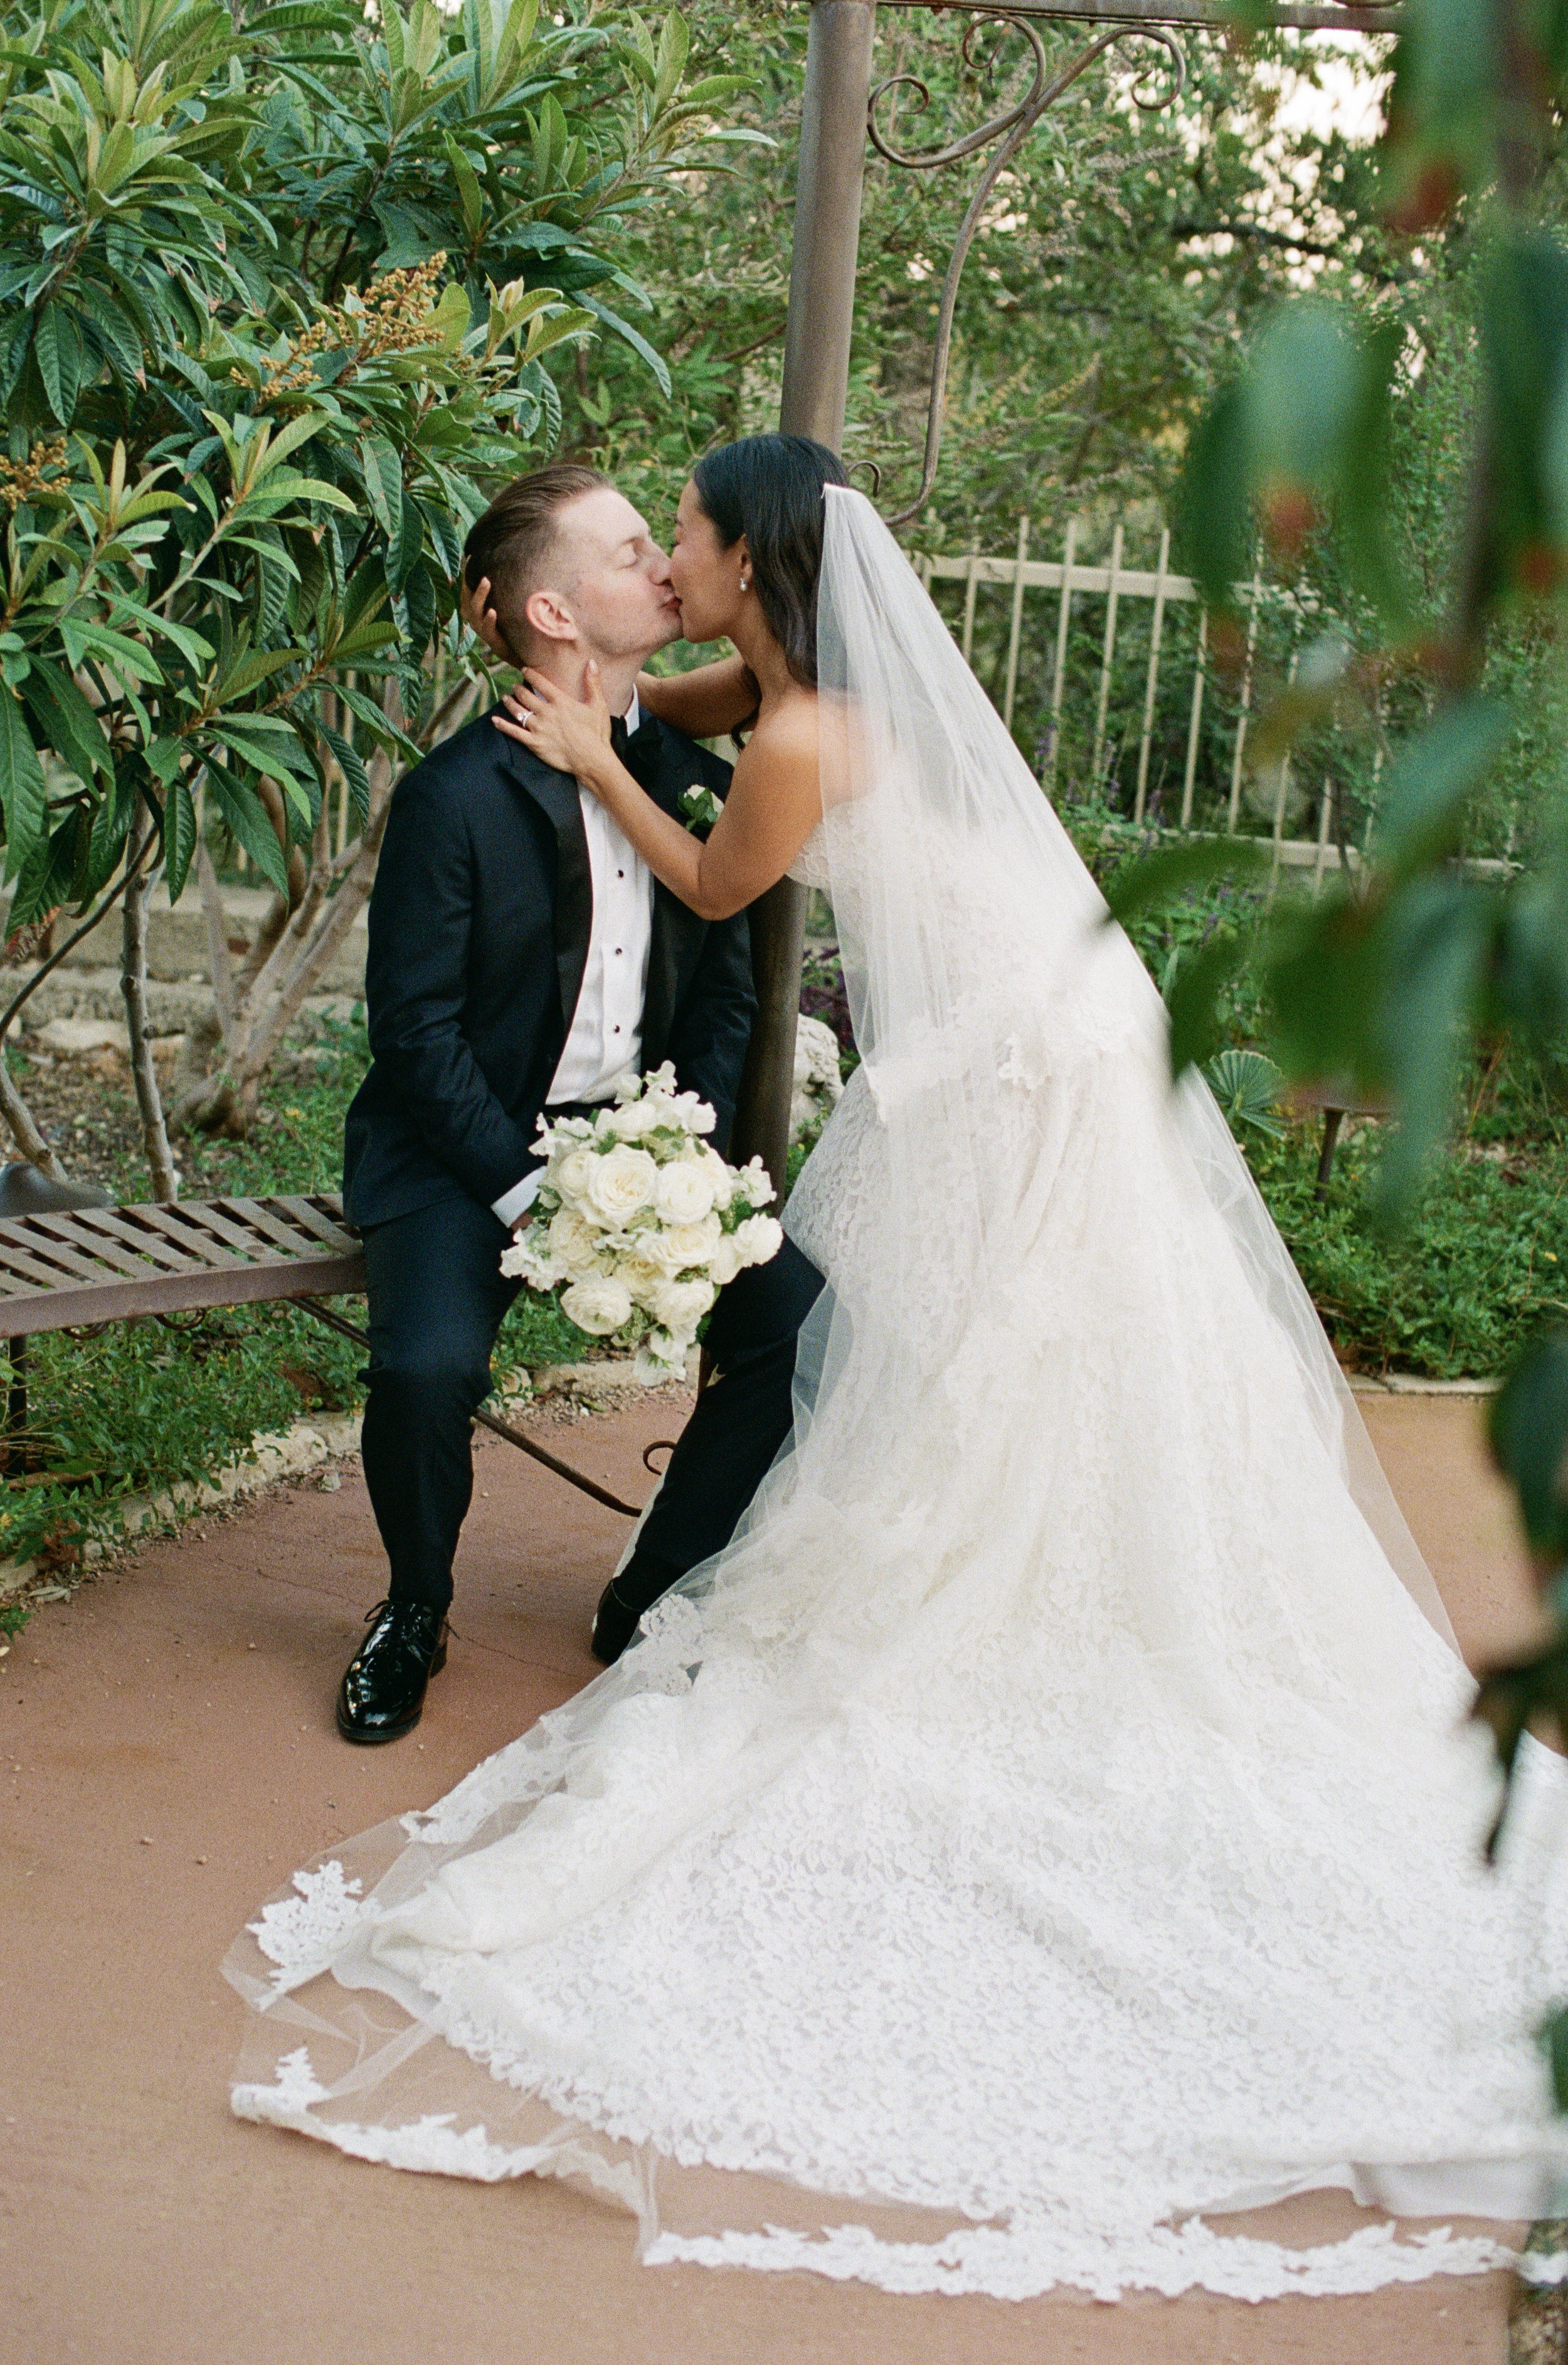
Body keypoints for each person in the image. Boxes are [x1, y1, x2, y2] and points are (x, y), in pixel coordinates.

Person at [228, 437, 1568, 2305]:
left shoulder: (785, 736)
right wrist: (588, 698)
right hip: (958, 1050)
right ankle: (474, 1601)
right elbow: (645, 706)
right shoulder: (762, 686)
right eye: (638, 547)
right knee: (942, 1358)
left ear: (748, 560)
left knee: (955, 1364)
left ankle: (932, 1608)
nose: (663, 561)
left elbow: (705, 884)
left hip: (1019, 1060)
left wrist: (600, 756)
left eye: (678, 538)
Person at [334, 464, 755, 1743]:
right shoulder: (452, 796)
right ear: (555, 614)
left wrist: (689, 1168)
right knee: (423, 1365)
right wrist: (529, 1191)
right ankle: (415, 1603)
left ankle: (643, 1589)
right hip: (466, 1155)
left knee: (795, 1325)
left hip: (636, 1152)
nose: (663, 566)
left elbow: (723, 1003)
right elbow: (413, 1035)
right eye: (631, 551)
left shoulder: (690, 776)